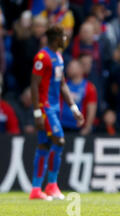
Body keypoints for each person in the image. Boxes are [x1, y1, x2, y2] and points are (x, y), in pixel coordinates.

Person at [29, 26, 84, 200]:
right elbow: (34, 85)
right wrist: (37, 112)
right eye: (64, 36)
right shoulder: (42, 57)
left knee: (44, 145)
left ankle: (36, 189)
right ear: (55, 38)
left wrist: (74, 108)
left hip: (55, 107)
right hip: (45, 107)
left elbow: (62, 85)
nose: (66, 39)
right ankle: (52, 185)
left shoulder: (58, 57)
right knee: (59, 140)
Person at [60, 59, 98, 135]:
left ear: (81, 69)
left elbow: (91, 108)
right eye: (68, 66)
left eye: (72, 67)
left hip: (78, 127)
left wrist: (87, 127)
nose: (68, 68)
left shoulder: (89, 87)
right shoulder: (63, 85)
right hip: (61, 125)